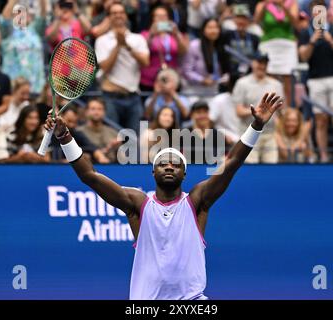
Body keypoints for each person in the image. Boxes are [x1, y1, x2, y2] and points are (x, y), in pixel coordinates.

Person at [44, 91, 282, 300]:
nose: (169, 167)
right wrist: (64, 136)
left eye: (176, 164)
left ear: (185, 174)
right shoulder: (137, 203)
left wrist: (256, 126)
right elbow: (90, 176)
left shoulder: (197, 200)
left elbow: (231, 164)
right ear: (152, 171)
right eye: (163, 164)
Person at [298, 0, 333, 163]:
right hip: (316, 80)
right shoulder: (306, 32)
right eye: (315, 10)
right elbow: (303, 56)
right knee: (320, 120)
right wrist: (313, 40)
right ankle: (324, 156)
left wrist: (330, 39)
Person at [95, 1, 150, 134]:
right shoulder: (102, 40)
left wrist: (127, 46)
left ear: (126, 16)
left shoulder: (137, 39)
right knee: (113, 136)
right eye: (114, 13)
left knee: (135, 138)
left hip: (133, 96)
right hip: (111, 96)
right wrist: (118, 46)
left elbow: (145, 62)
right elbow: (105, 67)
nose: (118, 15)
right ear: (108, 17)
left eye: (121, 12)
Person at [232, 52, 284, 163]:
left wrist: (279, 134)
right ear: (252, 63)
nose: (262, 66)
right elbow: (238, 111)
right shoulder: (242, 83)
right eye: (259, 62)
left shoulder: (276, 84)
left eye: (265, 63)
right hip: (249, 132)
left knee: (271, 168)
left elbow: (281, 113)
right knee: (250, 167)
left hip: (270, 134)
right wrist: (257, 112)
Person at [254, 0, 300, 105]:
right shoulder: (263, 4)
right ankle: (271, 108)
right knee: (270, 78)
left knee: (288, 77)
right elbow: (256, 21)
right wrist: (265, 5)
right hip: (268, 44)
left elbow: (296, 23)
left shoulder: (292, 3)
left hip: (287, 44)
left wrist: (283, 7)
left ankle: (288, 109)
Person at [0, 0, 46, 95]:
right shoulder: (8, 32)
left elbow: (43, 15)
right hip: (13, 85)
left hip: (36, 85)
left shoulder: (35, 30)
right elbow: (3, 19)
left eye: (25, 13)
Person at [140, 5, 189, 92]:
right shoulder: (145, 34)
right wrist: (151, 34)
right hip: (150, 80)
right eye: (158, 16)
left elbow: (183, 52)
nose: (161, 18)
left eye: (164, 16)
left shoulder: (174, 35)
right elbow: (142, 51)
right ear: (152, 18)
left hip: (171, 77)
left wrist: (177, 34)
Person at [182, 18, 229, 99]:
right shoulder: (195, 46)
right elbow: (187, 71)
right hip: (194, 91)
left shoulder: (220, 48)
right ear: (203, 30)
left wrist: (225, 78)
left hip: (214, 90)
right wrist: (202, 80)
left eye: (216, 27)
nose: (213, 31)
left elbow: (224, 70)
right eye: (210, 28)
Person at [77, 98, 120, 163]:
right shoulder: (78, 132)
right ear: (86, 112)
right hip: (87, 168)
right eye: (93, 109)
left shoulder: (113, 132)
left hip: (111, 167)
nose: (96, 112)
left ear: (104, 112)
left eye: (100, 109)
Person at [223, 4, 260, 78]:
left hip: (249, 75)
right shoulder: (227, 35)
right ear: (234, 19)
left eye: (244, 18)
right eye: (238, 17)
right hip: (230, 74)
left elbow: (257, 57)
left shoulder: (255, 38)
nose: (241, 21)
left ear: (249, 20)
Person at [208, 74, 243, 145]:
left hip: (247, 143)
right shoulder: (219, 100)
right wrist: (221, 136)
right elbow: (208, 123)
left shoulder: (250, 101)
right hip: (225, 143)